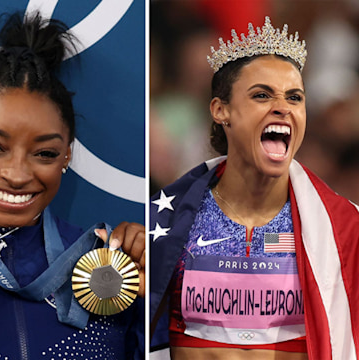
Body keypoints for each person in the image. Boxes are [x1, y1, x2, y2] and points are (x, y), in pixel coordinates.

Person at [0, 12, 145, 359]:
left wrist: (151, 306)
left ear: (67, 155)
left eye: (44, 153)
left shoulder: (110, 268)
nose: (16, 175)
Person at [150, 16, 359, 360]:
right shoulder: (166, 221)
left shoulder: (344, 229)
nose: (282, 107)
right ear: (221, 110)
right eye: (262, 95)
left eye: (295, 98)